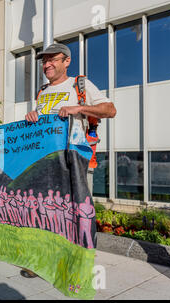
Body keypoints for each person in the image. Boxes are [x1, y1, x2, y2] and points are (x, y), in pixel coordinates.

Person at [23, 43, 116, 278]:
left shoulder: (79, 84)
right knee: (45, 211)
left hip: (77, 162)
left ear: (67, 61)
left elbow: (110, 109)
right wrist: (33, 116)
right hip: (48, 164)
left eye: (52, 59)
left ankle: (80, 264)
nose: (47, 65)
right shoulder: (42, 91)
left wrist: (80, 108)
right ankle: (43, 261)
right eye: (44, 61)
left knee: (79, 211)